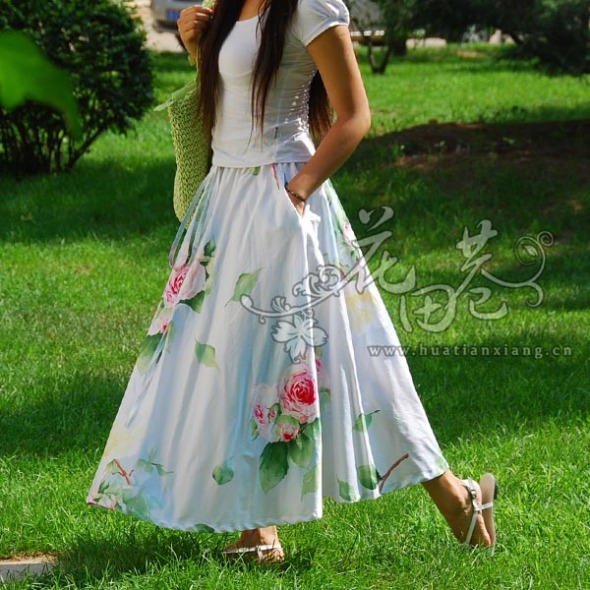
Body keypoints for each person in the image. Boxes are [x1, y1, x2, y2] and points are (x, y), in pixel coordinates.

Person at [86, 0, 497, 564]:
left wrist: (297, 193)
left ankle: (456, 496)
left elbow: (355, 115)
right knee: (231, 358)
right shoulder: (231, 5)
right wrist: (199, 50)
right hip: (225, 201)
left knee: (355, 362)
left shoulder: (310, 6)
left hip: (284, 202)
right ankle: (259, 534)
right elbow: (234, 99)